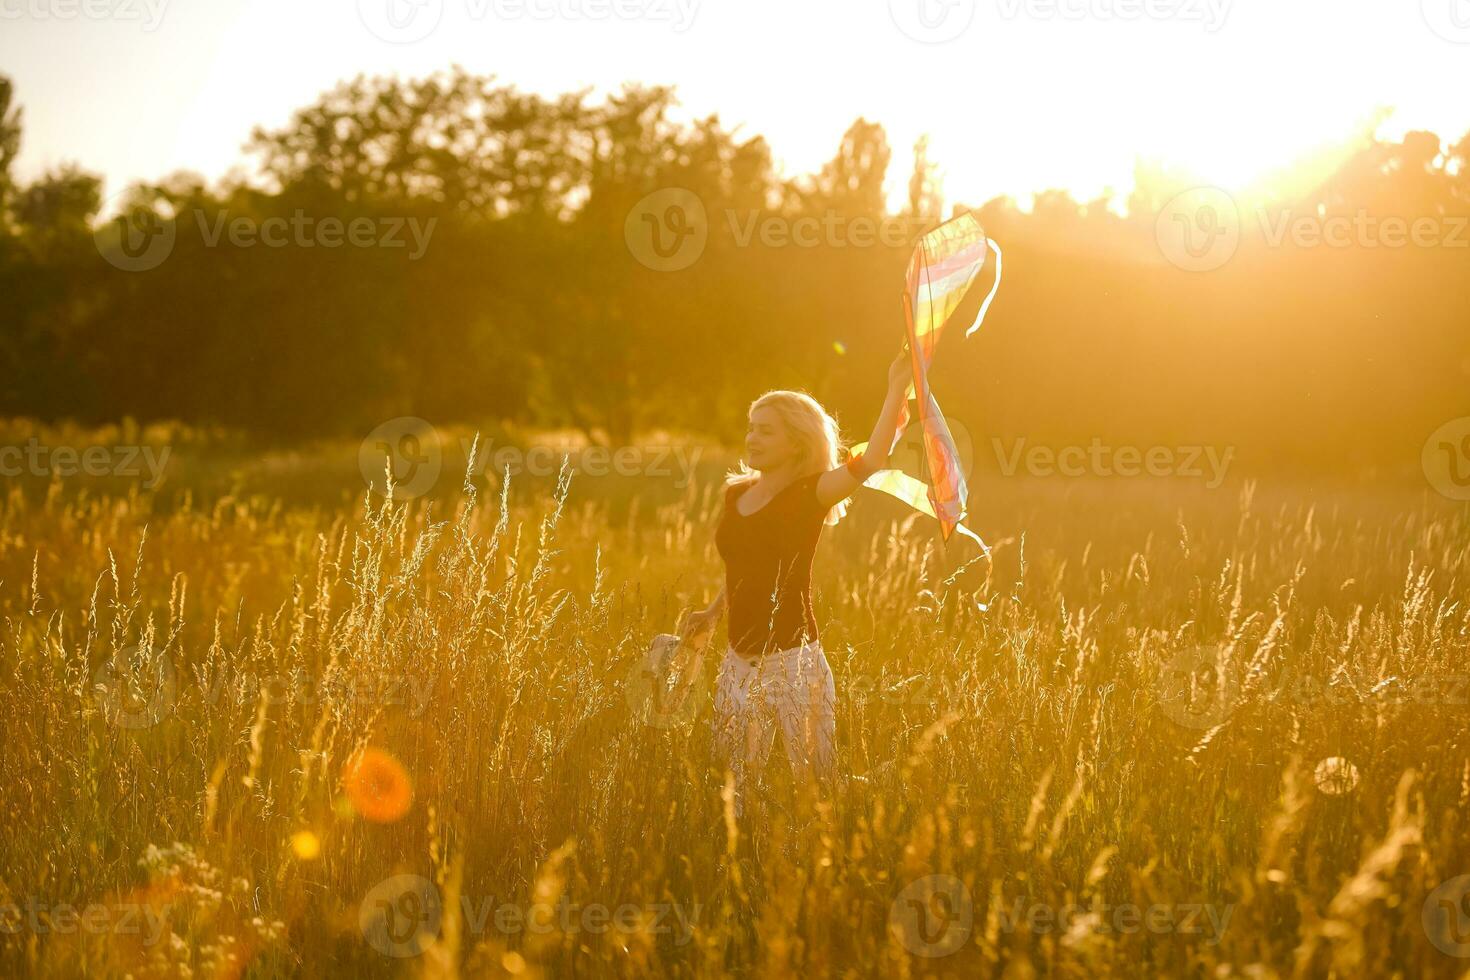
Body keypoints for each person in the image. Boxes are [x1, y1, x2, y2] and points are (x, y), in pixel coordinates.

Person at [681, 354, 912, 813]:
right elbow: (744, 568)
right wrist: (711, 613)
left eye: (766, 430)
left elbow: (873, 461)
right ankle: (743, 871)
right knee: (732, 791)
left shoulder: (811, 495)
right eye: (751, 426)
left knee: (817, 786)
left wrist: (896, 389)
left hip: (793, 664)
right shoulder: (737, 494)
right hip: (737, 663)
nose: (752, 437)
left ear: (796, 442)